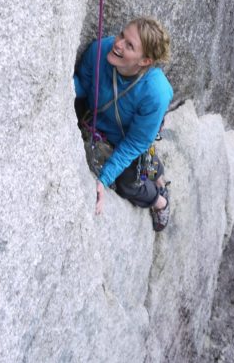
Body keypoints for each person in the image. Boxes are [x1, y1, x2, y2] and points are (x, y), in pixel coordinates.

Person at [74, 17, 173, 231]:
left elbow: (135, 143)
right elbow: (82, 83)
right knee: (146, 165)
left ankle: (160, 201)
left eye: (129, 45)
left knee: (128, 184)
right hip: (100, 125)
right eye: (122, 35)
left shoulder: (156, 92)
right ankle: (156, 172)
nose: (117, 44)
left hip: (128, 142)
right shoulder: (100, 50)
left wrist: (104, 178)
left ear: (145, 61)